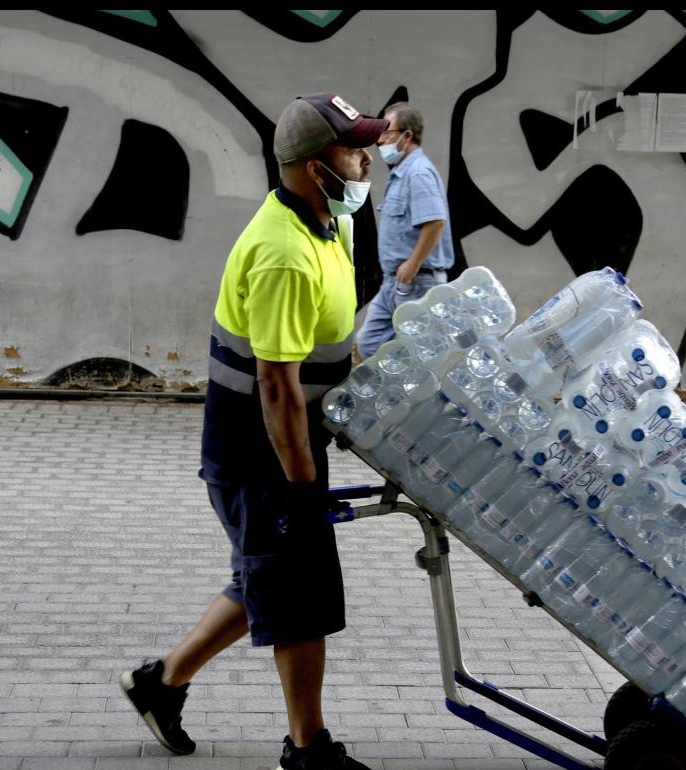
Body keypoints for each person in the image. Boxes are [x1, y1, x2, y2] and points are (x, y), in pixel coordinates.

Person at [119, 92, 385, 770]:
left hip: (291, 445)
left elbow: (336, 341)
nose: (366, 160)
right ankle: (308, 750)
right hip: (259, 453)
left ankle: (160, 683)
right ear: (308, 166)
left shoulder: (332, 225)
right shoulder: (282, 254)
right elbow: (276, 387)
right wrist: (300, 486)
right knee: (297, 592)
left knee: (266, 577)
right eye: (352, 149)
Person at [354, 102, 455, 359]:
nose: (380, 140)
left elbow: (435, 222)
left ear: (406, 135)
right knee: (369, 343)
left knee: (415, 355)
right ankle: (391, 395)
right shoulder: (402, 172)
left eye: (387, 132)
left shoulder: (418, 173)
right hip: (395, 282)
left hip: (416, 282)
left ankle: (409, 398)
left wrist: (413, 263)